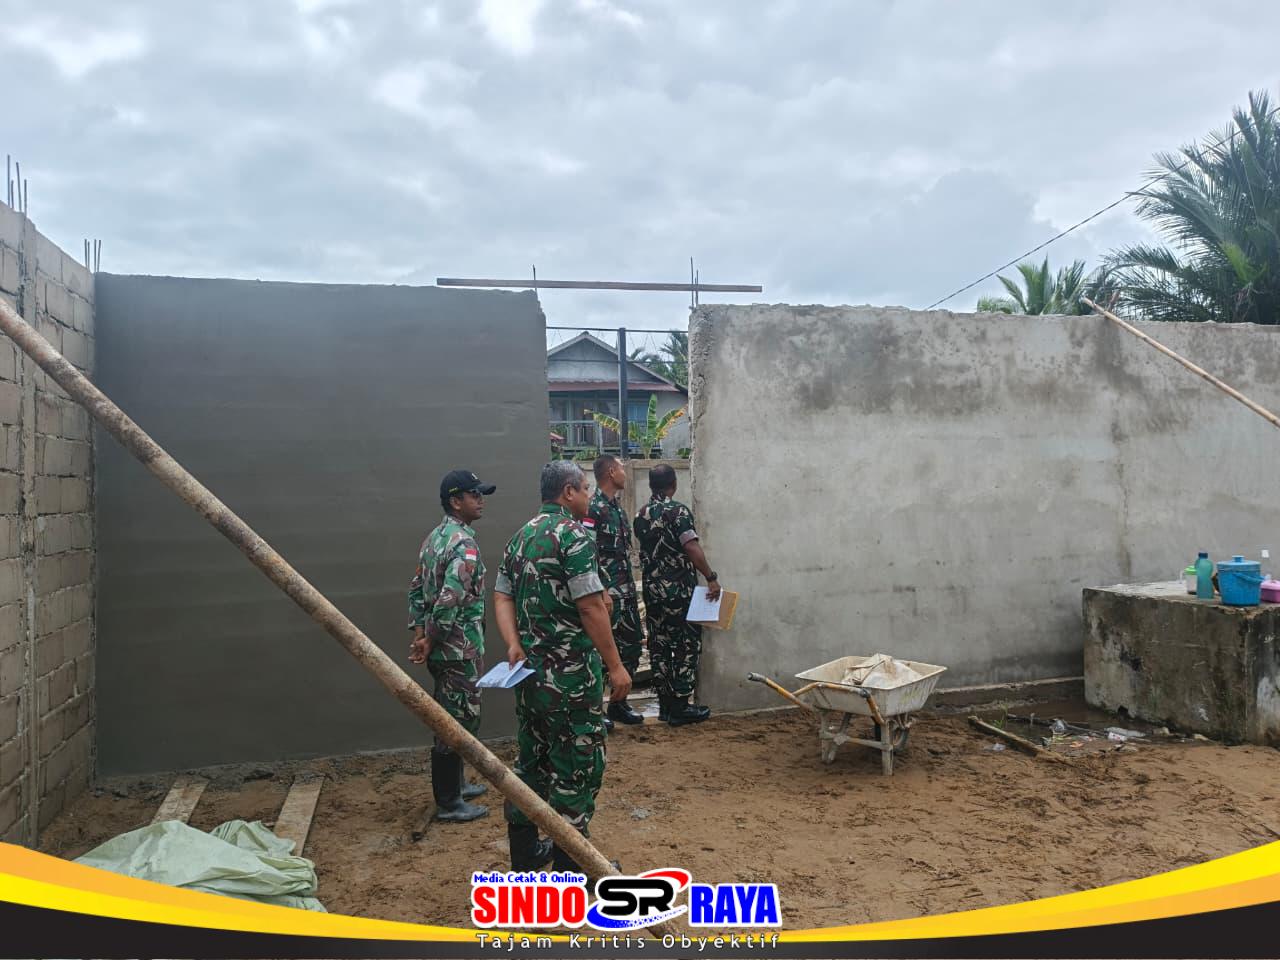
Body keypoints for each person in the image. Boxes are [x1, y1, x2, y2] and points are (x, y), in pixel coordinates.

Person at [493, 461, 632, 872]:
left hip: (530, 678)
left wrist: (513, 643)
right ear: (568, 492)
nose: (588, 496)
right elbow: (589, 606)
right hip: (571, 680)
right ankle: (571, 869)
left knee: (532, 762)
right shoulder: (574, 535)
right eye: (584, 489)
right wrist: (616, 666)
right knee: (576, 765)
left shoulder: (520, 537)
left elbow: (502, 597)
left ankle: (525, 856)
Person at [407, 469, 495, 823]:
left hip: (445, 647)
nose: (481, 500)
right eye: (474, 495)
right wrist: (431, 638)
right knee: (456, 720)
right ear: (456, 501)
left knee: (451, 714)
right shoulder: (463, 544)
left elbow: (416, 589)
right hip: (458, 649)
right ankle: (449, 801)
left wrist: (420, 633)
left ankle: (457, 786)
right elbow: (449, 598)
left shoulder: (434, 539)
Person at [634, 464, 720, 726]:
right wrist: (711, 577)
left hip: (653, 592)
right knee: (685, 645)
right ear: (673, 484)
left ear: (651, 485)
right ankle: (681, 705)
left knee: (659, 645)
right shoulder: (678, 511)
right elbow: (691, 547)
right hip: (678, 592)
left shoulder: (640, 515)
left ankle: (665, 705)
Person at [585, 454, 645, 726]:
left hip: (626, 591)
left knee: (631, 646)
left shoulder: (617, 509)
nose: (625, 472)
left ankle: (619, 705)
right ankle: (595, 711)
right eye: (621, 467)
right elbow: (587, 552)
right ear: (611, 472)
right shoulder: (593, 508)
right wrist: (600, 589)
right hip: (606, 594)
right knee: (600, 653)